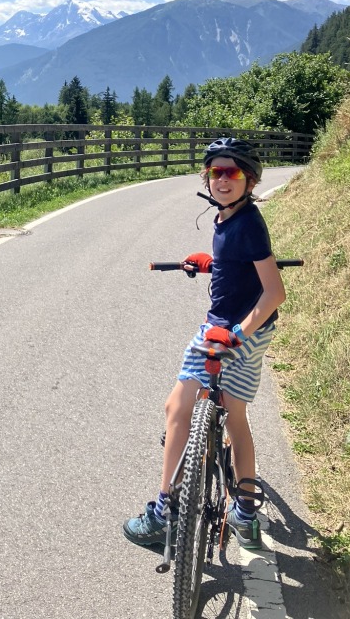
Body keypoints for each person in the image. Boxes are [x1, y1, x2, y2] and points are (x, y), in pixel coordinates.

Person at [123, 137, 286, 551]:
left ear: (250, 180)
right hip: (252, 331)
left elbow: (274, 293)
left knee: (177, 407)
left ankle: (165, 512)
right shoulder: (231, 218)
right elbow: (240, 266)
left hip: (234, 330)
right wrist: (214, 264)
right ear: (207, 178)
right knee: (234, 417)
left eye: (233, 172)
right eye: (217, 172)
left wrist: (234, 335)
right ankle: (245, 516)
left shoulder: (247, 223)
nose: (224, 179)